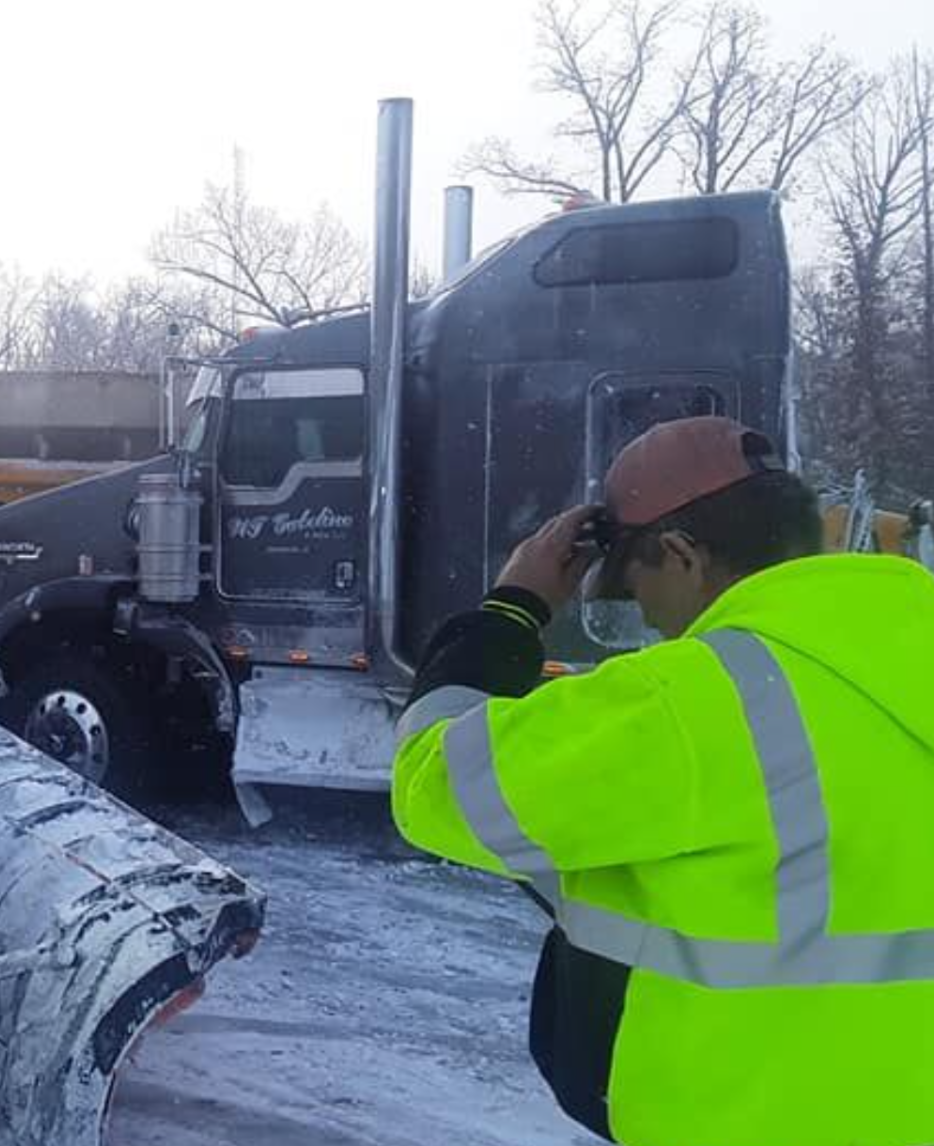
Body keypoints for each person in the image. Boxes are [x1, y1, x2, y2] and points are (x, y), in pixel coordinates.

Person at [390, 416, 934, 1146]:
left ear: (679, 554)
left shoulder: (697, 698)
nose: (642, 616)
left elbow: (436, 782)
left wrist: (513, 606)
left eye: (630, 584)